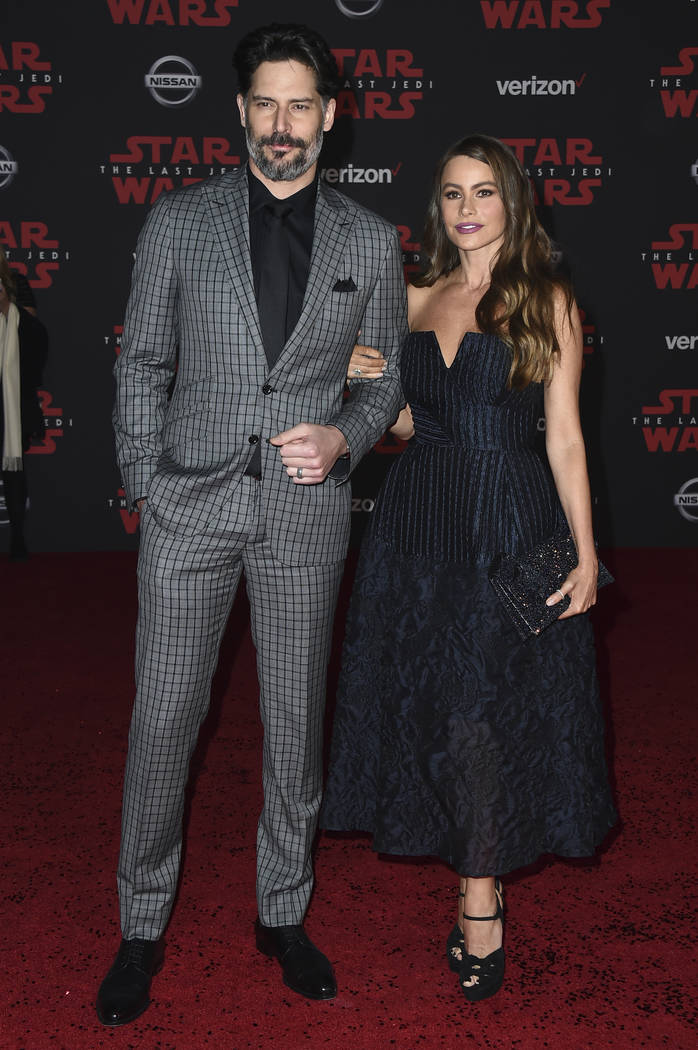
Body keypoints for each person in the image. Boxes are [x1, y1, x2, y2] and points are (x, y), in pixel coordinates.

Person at [98, 22, 406, 1026]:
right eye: (264, 103)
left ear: (329, 115)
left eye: (299, 104)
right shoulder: (179, 220)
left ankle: (282, 912)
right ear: (239, 111)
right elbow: (143, 364)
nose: (281, 123)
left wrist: (344, 437)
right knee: (163, 721)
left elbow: (383, 382)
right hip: (188, 510)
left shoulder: (370, 240)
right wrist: (146, 485)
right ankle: (141, 923)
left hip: (303, 517)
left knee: (294, 726)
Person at [322, 134, 617, 1002]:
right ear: (438, 207)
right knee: (430, 702)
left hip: (508, 522)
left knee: (485, 709)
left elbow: (566, 439)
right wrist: (365, 380)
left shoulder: (546, 300)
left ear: (512, 202)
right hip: (418, 523)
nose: (467, 208)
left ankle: (479, 895)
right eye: (453, 193)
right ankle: (461, 853)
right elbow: (410, 426)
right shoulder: (412, 296)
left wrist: (587, 550)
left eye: (484, 191)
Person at [0, 249, 47, 561]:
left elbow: (35, 336)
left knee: (14, 470)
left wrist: (7, 306)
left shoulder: (17, 284)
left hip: (11, 397)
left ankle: (17, 537)